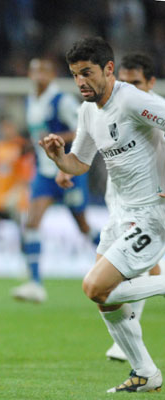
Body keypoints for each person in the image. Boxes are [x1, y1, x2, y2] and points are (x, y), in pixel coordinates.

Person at [41, 36, 165, 393]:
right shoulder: (88, 110)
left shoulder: (132, 100)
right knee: (104, 299)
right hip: (120, 212)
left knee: (95, 286)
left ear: (109, 69)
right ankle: (145, 372)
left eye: (87, 73)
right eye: (75, 74)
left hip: (151, 213)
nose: (80, 82)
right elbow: (79, 163)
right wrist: (58, 157)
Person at [11, 57, 100, 303]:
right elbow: (37, 135)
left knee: (83, 227)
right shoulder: (31, 100)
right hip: (44, 173)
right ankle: (35, 283)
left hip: (68, 170)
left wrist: (57, 141)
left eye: (44, 71)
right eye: (34, 70)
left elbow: (82, 130)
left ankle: (120, 262)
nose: (38, 75)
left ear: (52, 75)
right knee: (31, 223)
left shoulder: (63, 100)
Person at [101, 52, 162, 362]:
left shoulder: (154, 109)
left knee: (113, 277)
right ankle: (132, 345)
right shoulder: (113, 106)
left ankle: (131, 337)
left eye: (135, 83)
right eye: (123, 82)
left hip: (149, 203)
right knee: (137, 270)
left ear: (151, 82)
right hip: (119, 198)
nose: (128, 88)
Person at [0, 118, 34, 251]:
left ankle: (27, 256)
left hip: (16, 198)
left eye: (9, 128)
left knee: (20, 228)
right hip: (0, 196)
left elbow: (26, 174)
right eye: (4, 128)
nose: (7, 131)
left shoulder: (21, 147)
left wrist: (16, 193)